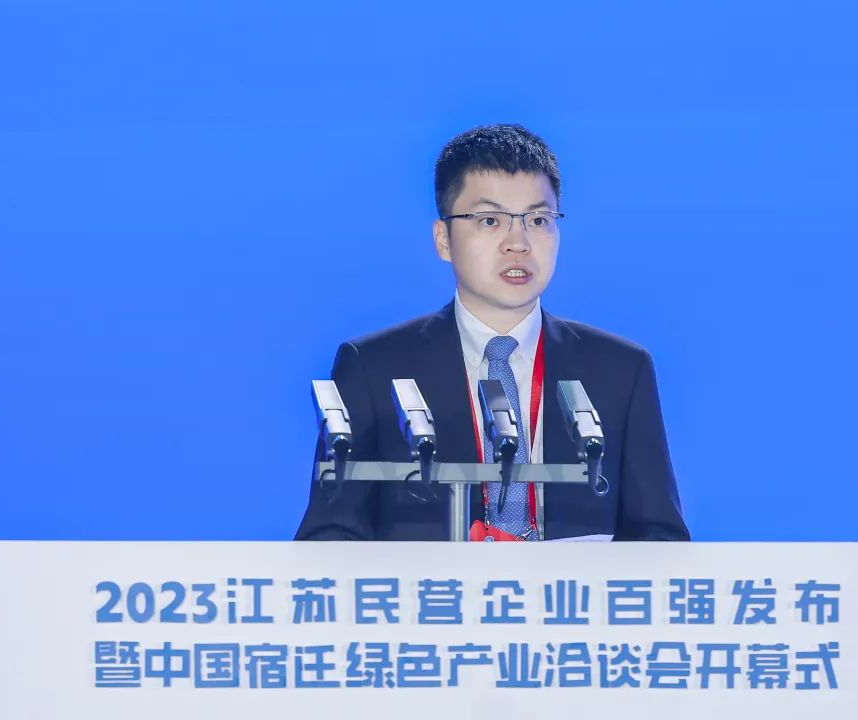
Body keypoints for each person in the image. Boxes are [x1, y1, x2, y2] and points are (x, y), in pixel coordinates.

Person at [294, 124, 689, 542]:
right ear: (443, 239)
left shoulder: (621, 371)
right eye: (490, 220)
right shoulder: (374, 368)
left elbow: (659, 537)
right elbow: (330, 536)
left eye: (538, 220)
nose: (518, 243)